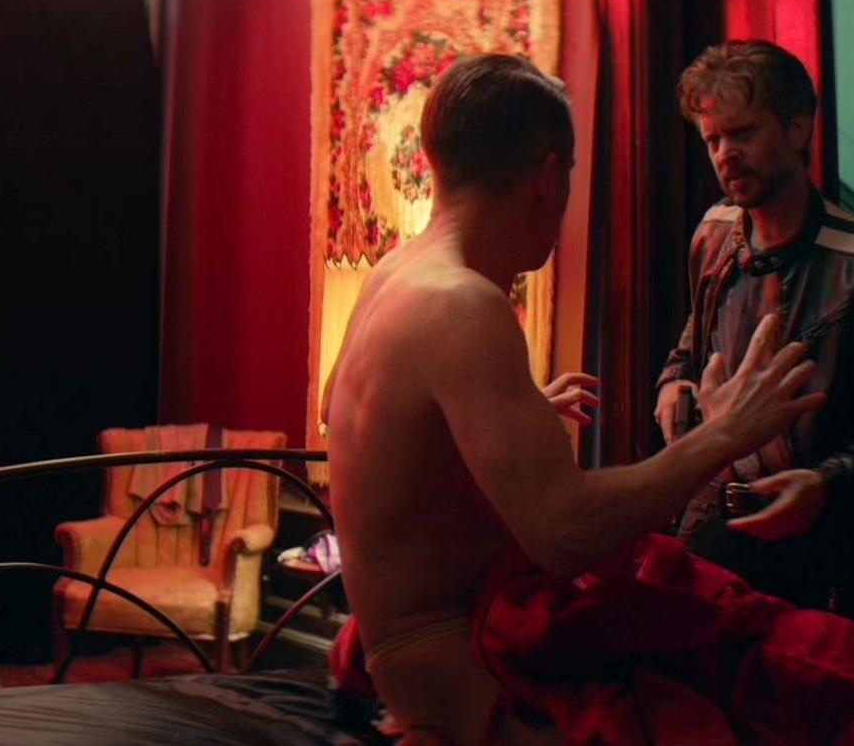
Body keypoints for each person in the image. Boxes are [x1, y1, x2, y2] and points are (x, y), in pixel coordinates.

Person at [323, 54, 828, 744]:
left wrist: (504, 416)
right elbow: (565, 535)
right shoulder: (463, 306)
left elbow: (354, 417)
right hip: (459, 678)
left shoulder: (392, 274)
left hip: (400, 656)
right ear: (548, 176)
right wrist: (725, 433)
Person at [653, 40, 854, 639]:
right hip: (718, 522)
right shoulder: (713, 233)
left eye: (743, 133)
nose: (726, 155)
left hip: (832, 541)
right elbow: (696, 335)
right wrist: (674, 381)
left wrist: (827, 481)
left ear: (798, 128)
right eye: (713, 140)